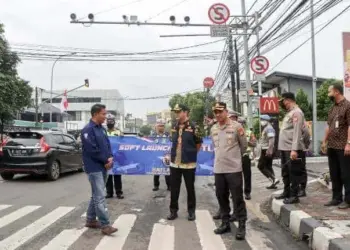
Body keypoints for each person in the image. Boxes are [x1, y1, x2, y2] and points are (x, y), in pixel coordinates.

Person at [211, 102, 247, 240]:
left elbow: (243, 146)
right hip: (219, 169)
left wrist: (235, 159)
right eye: (216, 112)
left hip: (233, 169)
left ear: (226, 111)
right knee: (221, 197)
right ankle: (225, 223)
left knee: (237, 198)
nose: (218, 114)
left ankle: (242, 226)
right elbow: (216, 147)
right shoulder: (213, 128)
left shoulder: (237, 127)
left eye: (220, 111)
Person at [81, 104, 118, 235]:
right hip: (94, 167)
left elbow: (107, 145)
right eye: (103, 114)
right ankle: (105, 225)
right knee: (100, 197)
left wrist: (110, 158)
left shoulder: (101, 129)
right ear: (95, 114)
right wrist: (105, 160)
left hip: (103, 166)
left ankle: (90, 220)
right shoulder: (88, 130)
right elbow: (92, 151)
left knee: (97, 194)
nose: (105, 116)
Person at [167, 104, 203, 221]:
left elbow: (198, 143)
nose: (176, 114)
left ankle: (191, 211)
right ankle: (173, 211)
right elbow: (172, 142)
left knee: (190, 188)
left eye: (179, 111)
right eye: (175, 112)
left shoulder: (194, 126)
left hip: (189, 163)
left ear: (186, 112)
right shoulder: (174, 126)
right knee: (174, 189)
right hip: (175, 163)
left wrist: (190, 154)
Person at [322, 84, 350, 209]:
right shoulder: (332, 108)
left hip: (343, 146)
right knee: (334, 173)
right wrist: (324, 141)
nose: (328, 94)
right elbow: (328, 126)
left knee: (346, 174)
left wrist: (349, 143)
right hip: (332, 145)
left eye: (330, 91)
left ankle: (348, 200)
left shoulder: (348, 106)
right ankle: (336, 198)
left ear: (337, 91)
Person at [276, 92, 306, 204]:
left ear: (288, 100)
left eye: (283, 101)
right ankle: (286, 192)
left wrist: (294, 149)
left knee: (294, 173)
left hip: (291, 148)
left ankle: (294, 196)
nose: (282, 104)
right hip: (284, 148)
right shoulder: (289, 113)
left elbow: (297, 132)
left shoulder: (297, 113)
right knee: (286, 172)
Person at [231, 113, 255, 200]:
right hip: (235, 155)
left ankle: (247, 192)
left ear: (244, 124)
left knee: (247, 175)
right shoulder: (233, 132)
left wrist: (246, 141)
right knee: (235, 175)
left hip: (246, 155)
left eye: (241, 123)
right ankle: (235, 192)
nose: (240, 124)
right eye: (239, 122)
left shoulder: (249, 132)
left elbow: (254, 143)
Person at [105, 114, 124, 199]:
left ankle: (119, 192)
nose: (109, 123)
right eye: (108, 121)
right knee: (108, 175)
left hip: (117, 156)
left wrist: (122, 137)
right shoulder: (103, 132)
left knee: (117, 175)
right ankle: (109, 193)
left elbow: (123, 142)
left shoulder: (118, 132)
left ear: (114, 122)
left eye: (111, 121)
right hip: (107, 156)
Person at [258, 115, 280, 189]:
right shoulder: (267, 128)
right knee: (268, 166)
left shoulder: (269, 128)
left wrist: (269, 150)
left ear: (267, 121)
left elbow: (271, 140)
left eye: (262, 119)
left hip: (267, 149)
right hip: (267, 149)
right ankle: (274, 183)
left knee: (260, 166)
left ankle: (274, 179)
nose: (261, 121)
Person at [153, 119, 171, 191]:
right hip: (156, 156)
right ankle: (156, 186)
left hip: (166, 156)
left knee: (167, 171)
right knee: (156, 171)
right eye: (159, 126)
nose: (161, 127)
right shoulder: (153, 135)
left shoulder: (167, 135)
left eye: (162, 126)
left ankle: (169, 186)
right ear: (156, 126)